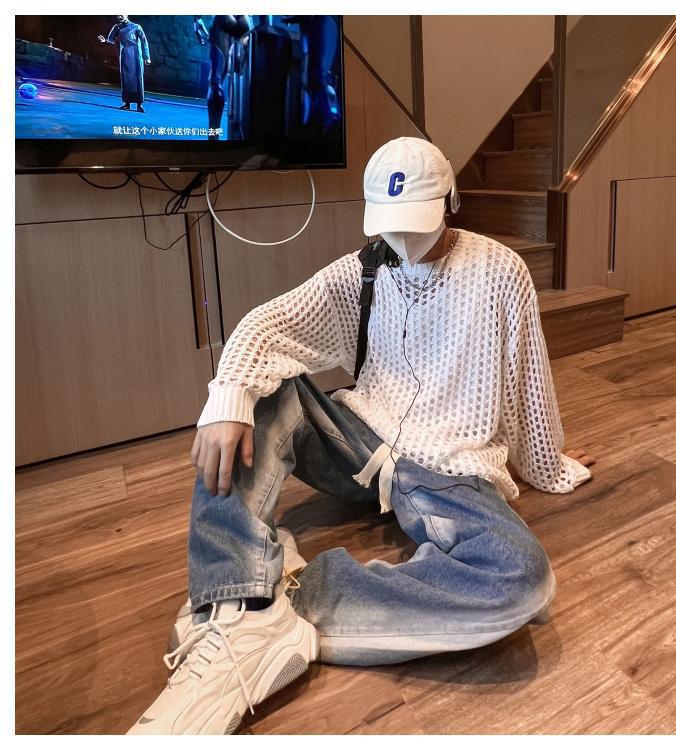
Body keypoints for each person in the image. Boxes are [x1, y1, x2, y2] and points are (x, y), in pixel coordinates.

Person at [128, 137, 594, 735]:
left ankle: (267, 604)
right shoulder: (366, 268)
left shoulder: (501, 271)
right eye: (390, 222)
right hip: (359, 442)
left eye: (416, 219)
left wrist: (547, 463)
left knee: (521, 581)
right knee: (257, 389)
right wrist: (228, 397)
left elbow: (528, 379)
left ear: (451, 201)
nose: (402, 239)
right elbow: (269, 323)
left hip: (451, 468)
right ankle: (237, 599)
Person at [98, 15, 150, 113]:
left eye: (121, 14)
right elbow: (111, 40)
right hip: (125, 54)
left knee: (138, 79)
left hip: (136, 55)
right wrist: (105, 41)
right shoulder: (117, 27)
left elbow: (144, 41)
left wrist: (146, 57)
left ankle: (139, 104)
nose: (119, 16)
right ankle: (127, 103)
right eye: (118, 15)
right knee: (126, 79)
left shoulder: (136, 27)